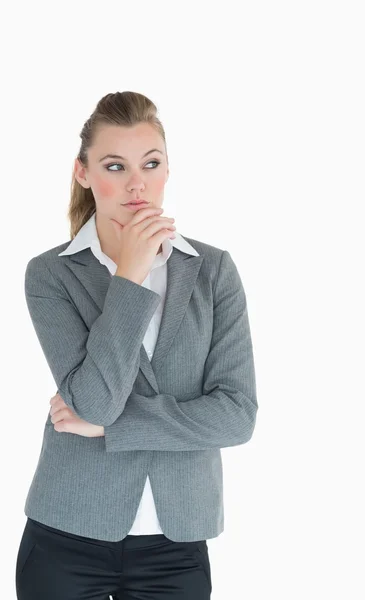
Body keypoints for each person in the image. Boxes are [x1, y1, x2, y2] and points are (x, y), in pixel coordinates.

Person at [15, 90, 258, 600]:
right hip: (66, 532)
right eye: (114, 165)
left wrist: (113, 427)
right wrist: (130, 274)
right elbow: (95, 399)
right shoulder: (51, 274)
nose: (137, 184)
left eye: (151, 163)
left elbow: (237, 416)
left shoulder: (213, 271)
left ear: (168, 168)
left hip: (177, 539)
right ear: (83, 172)